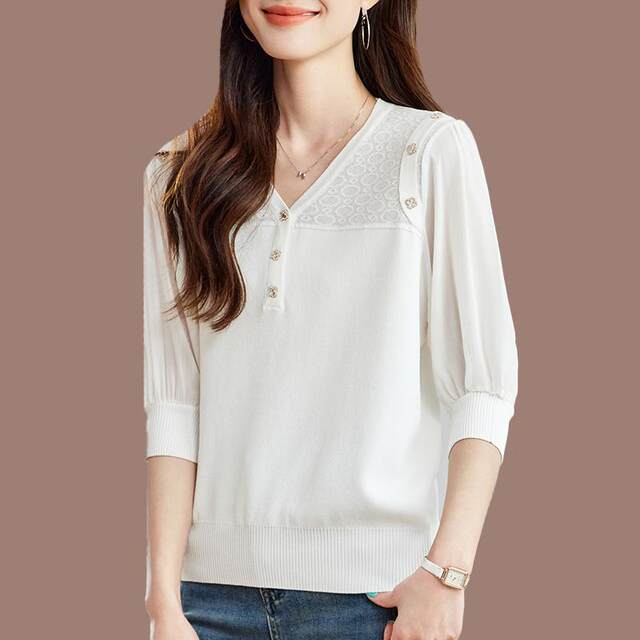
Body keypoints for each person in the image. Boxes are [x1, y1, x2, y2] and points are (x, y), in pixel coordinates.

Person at [142, 1, 519, 639]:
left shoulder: (427, 152)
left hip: (373, 602)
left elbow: (483, 386)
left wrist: (445, 574)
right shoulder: (179, 175)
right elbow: (175, 405)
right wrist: (162, 605)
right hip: (204, 605)